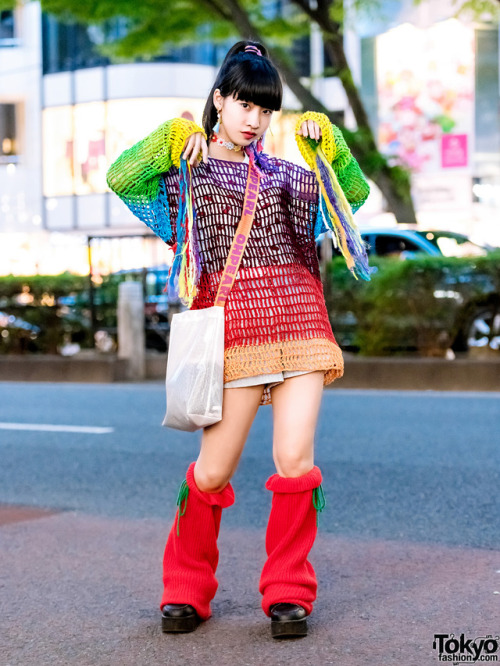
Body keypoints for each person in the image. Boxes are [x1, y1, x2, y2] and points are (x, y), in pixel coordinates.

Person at [106, 40, 371, 639]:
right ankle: (186, 588)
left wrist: (330, 144)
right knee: (212, 473)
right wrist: (172, 137)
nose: (256, 119)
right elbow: (121, 175)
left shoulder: (285, 175)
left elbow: (351, 198)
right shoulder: (188, 175)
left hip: (302, 326)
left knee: (295, 462)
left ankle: (288, 593)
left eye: (266, 109)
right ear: (219, 101)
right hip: (235, 337)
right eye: (246, 105)